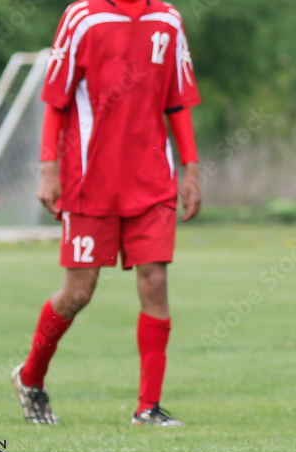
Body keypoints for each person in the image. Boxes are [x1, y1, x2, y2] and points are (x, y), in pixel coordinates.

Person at [11, 0, 201, 426]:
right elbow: (55, 100)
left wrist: (192, 168)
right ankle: (30, 377)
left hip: (152, 180)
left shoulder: (168, 19)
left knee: (155, 282)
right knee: (79, 291)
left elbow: (177, 101)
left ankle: (147, 408)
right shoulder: (82, 16)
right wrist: (48, 170)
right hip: (88, 181)